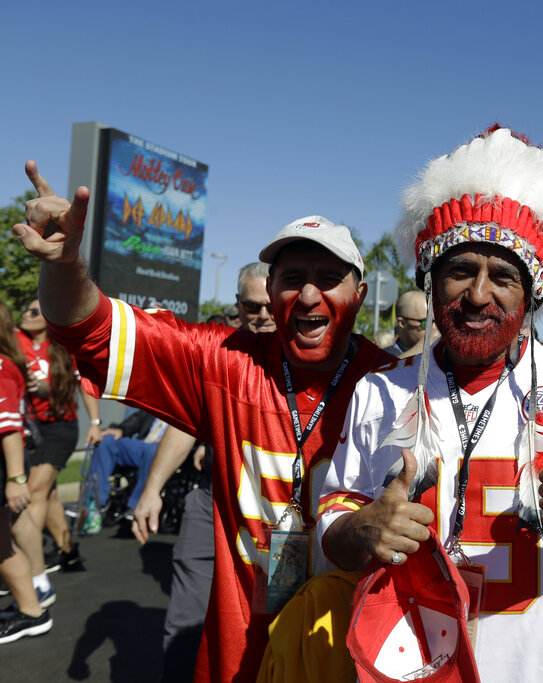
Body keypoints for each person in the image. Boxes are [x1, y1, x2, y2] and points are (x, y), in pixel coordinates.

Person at [12, 161, 393, 683]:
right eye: (292, 279)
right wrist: (65, 264)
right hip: (241, 646)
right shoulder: (224, 361)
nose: (309, 296)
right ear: (271, 289)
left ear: (361, 296)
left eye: (329, 279)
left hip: (355, 650)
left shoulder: (399, 385)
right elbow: (89, 329)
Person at [317, 126, 543, 682]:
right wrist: (362, 529)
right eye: (461, 271)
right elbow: (334, 523)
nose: (479, 295)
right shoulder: (378, 390)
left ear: (530, 295)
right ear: (431, 282)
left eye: (502, 276)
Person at [133, 263, 277, 682]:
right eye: (252, 306)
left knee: (273, 623)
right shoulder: (220, 354)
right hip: (213, 499)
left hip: (280, 515)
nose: (263, 315)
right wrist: (152, 489)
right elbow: (183, 425)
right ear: (238, 306)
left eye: (270, 305)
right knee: (189, 615)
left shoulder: (314, 360)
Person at [12, 299, 100, 603]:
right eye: (25, 309)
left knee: (35, 490)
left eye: (35, 310)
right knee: (48, 495)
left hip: (61, 428)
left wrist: (95, 423)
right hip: (30, 428)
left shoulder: (63, 345)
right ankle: (69, 552)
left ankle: (27, 564)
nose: (27, 314)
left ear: (48, 317)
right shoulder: (15, 340)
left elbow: (83, 385)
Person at [0, 300, 51, 644]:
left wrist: (16, 479)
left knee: (2, 544)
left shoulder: (2, 365)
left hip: (6, 461)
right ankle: (32, 603)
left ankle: (33, 610)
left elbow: (8, 427)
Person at [84, 410, 168, 519]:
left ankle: (136, 505)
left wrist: (167, 442)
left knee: (152, 451)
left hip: (166, 450)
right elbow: (137, 419)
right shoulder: (161, 405)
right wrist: (121, 429)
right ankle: (94, 503)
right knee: (106, 442)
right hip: (144, 444)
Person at [388, 290, 429, 356]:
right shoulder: (386, 359)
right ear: (402, 323)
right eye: (425, 323)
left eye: (436, 322)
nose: (434, 328)